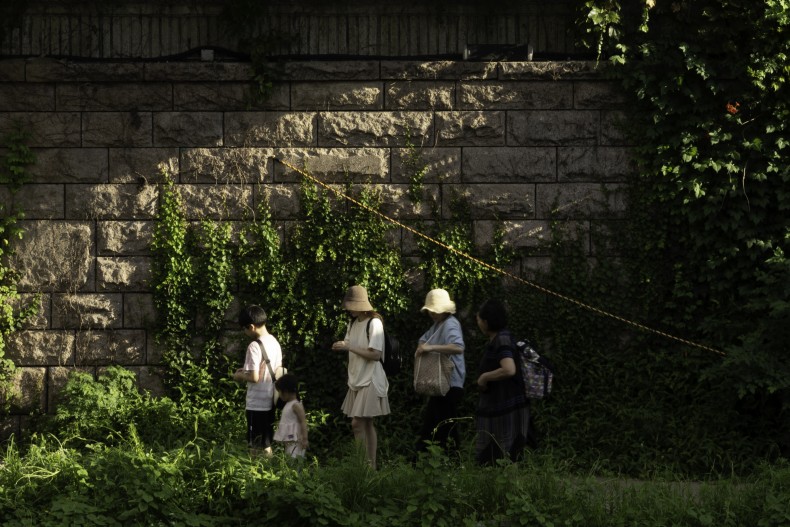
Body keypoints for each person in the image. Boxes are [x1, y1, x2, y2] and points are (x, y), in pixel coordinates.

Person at [331, 285, 390, 469]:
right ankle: (370, 468)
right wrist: (342, 344)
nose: (348, 308)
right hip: (356, 377)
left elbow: (375, 354)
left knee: (357, 423)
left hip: (371, 377)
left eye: (351, 305)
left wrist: (348, 347)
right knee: (367, 423)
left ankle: (362, 467)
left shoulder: (374, 323)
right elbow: (351, 343)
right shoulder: (353, 323)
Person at [474, 298, 530, 465]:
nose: (477, 321)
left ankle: (502, 487)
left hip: (506, 408)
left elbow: (509, 369)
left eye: (478, 318)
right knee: (500, 455)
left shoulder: (502, 340)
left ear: (486, 321)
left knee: (503, 454)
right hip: (500, 405)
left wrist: (484, 377)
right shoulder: (499, 338)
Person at [415, 288, 466, 455]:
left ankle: (450, 461)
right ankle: (427, 459)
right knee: (436, 424)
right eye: (430, 311)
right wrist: (422, 347)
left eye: (435, 311)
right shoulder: (438, 325)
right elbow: (423, 339)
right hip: (443, 383)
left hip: (450, 383)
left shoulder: (451, 324)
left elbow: (458, 347)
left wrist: (431, 347)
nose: (432, 314)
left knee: (444, 426)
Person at [232, 304, 283, 456]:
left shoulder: (254, 346)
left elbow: (254, 377)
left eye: (244, 329)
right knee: (266, 443)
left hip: (257, 404)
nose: (244, 332)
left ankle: (253, 475)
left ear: (251, 327)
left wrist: (239, 376)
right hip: (271, 399)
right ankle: (269, 472)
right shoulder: (274, 341)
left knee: (254, 445)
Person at [273, 374, 308, 458]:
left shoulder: (296, 405)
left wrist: (305, 439)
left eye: (280, 392)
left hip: (295, 441)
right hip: (289, 440)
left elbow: (303, 421)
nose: (279, 395)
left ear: (286, 391)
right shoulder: (288, 404)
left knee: (294, 458)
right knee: (289, 457)